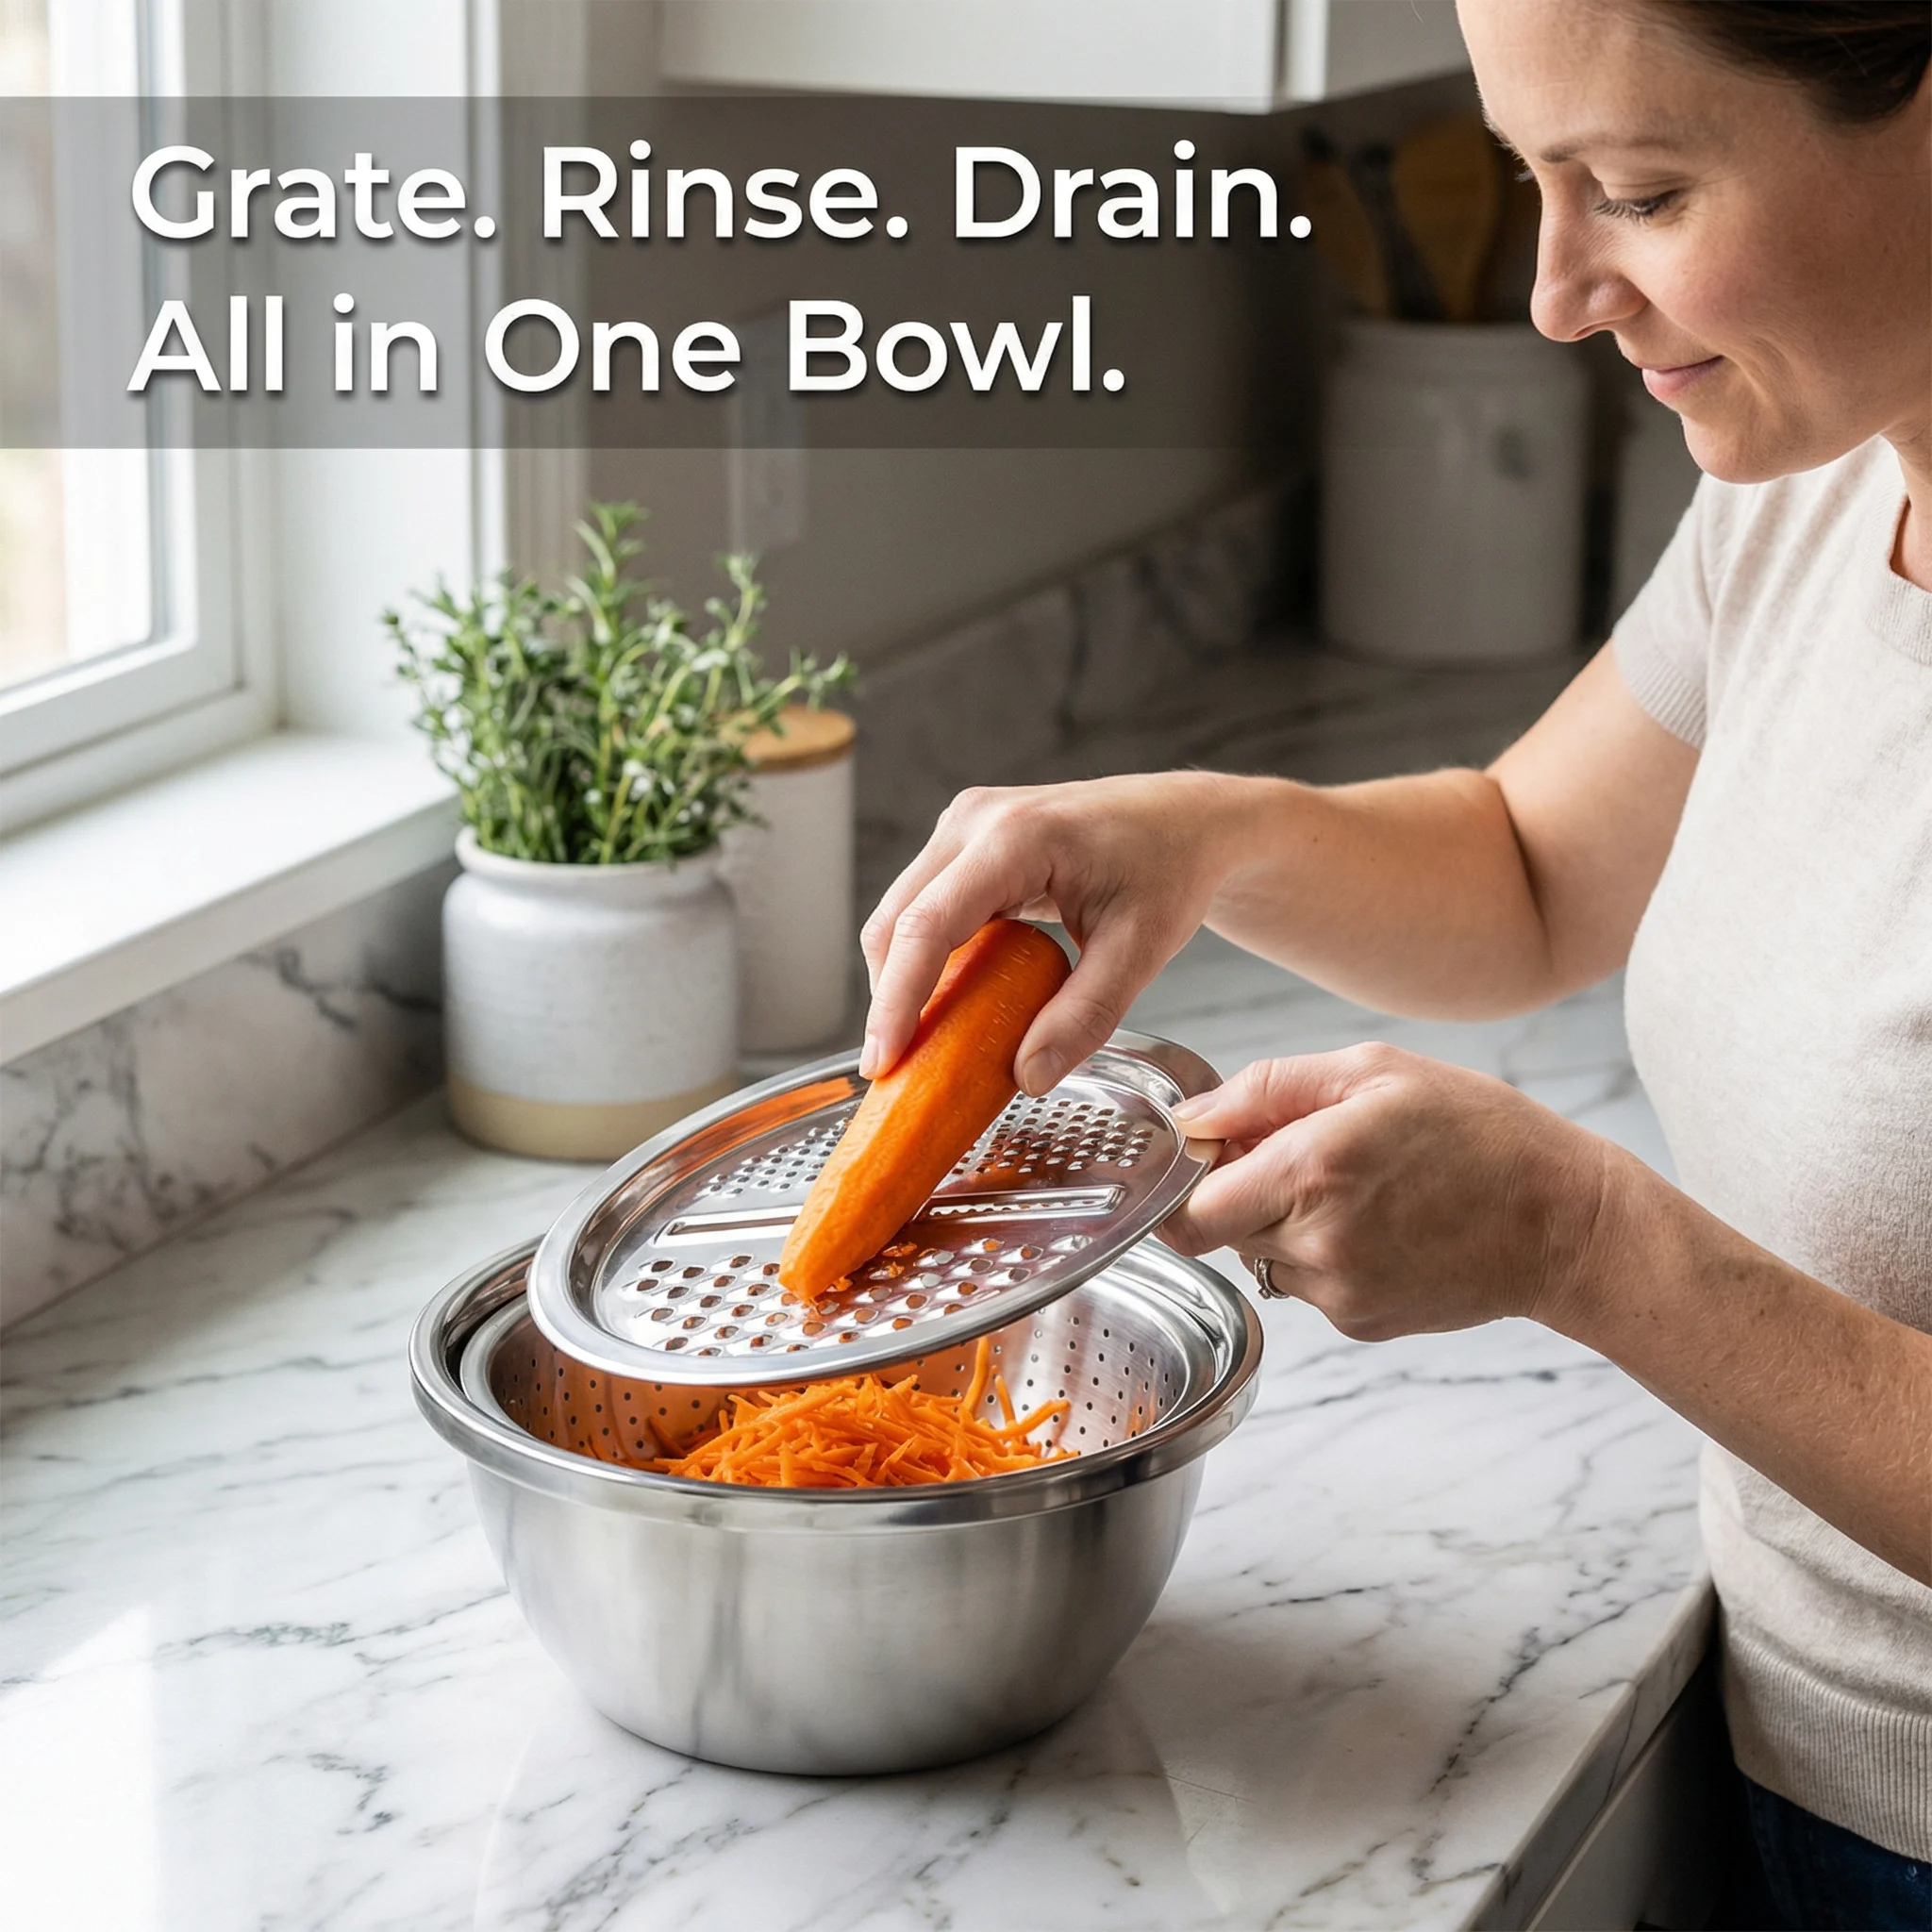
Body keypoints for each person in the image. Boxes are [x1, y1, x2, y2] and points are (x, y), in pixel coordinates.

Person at [858, 3, 1931, 1924]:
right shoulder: (1816, 483)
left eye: (1636, 190)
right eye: (1535, 183)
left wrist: (1581, 1244)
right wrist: (1196, 834)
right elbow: (1527, 869)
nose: (1552, 292)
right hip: (1802, 1767)